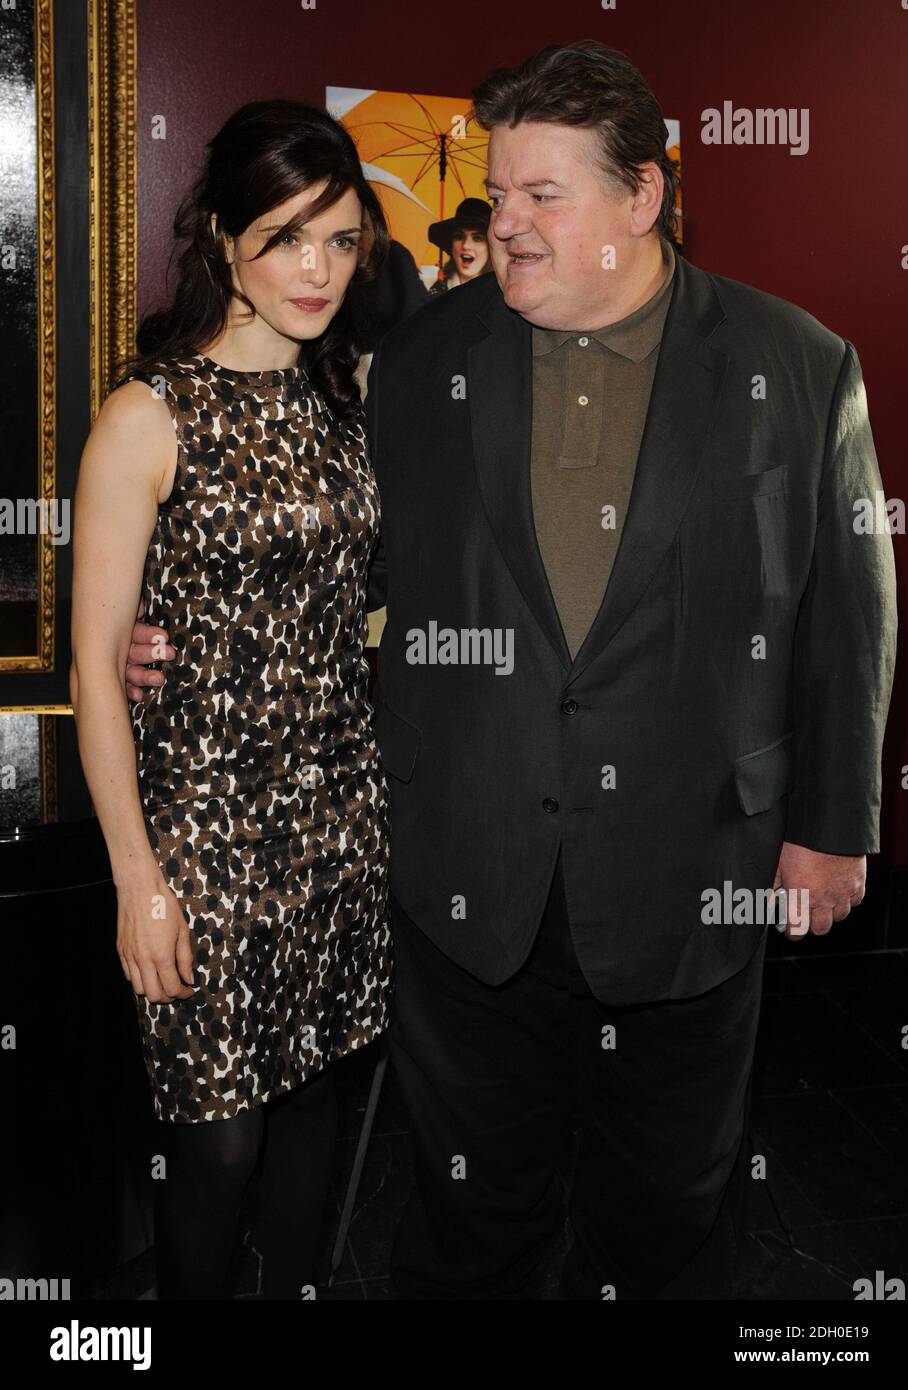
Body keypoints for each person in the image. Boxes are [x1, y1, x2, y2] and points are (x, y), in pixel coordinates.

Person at [126, 42, 898, 1301]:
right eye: (498, 193)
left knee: (667, 1218)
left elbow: (850, 616)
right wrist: (166, 631)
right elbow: (344, 570)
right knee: (470, 1222)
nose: (506, 222)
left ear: (642, 196)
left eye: (544, 194)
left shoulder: (797, 365)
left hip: (692, 874)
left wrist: (830, 829)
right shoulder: (423, 359)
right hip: (464, 874)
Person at [71, 100, 392, 1300]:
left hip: (337, 823)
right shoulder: (145, 414)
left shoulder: (345, 398)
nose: (318, 270)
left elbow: (354, 601)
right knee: (217, 1148)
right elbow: (93, 670)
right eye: (285, 237)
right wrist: (136, 879)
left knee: (310, 1114)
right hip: (200, 834)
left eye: (341, 240)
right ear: (223, 239)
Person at [426, 197, 494, 296]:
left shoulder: (502, 295)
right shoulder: (437, 294)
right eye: (459, 236)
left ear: (491, 247)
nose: (465, 246)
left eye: (477, 238)